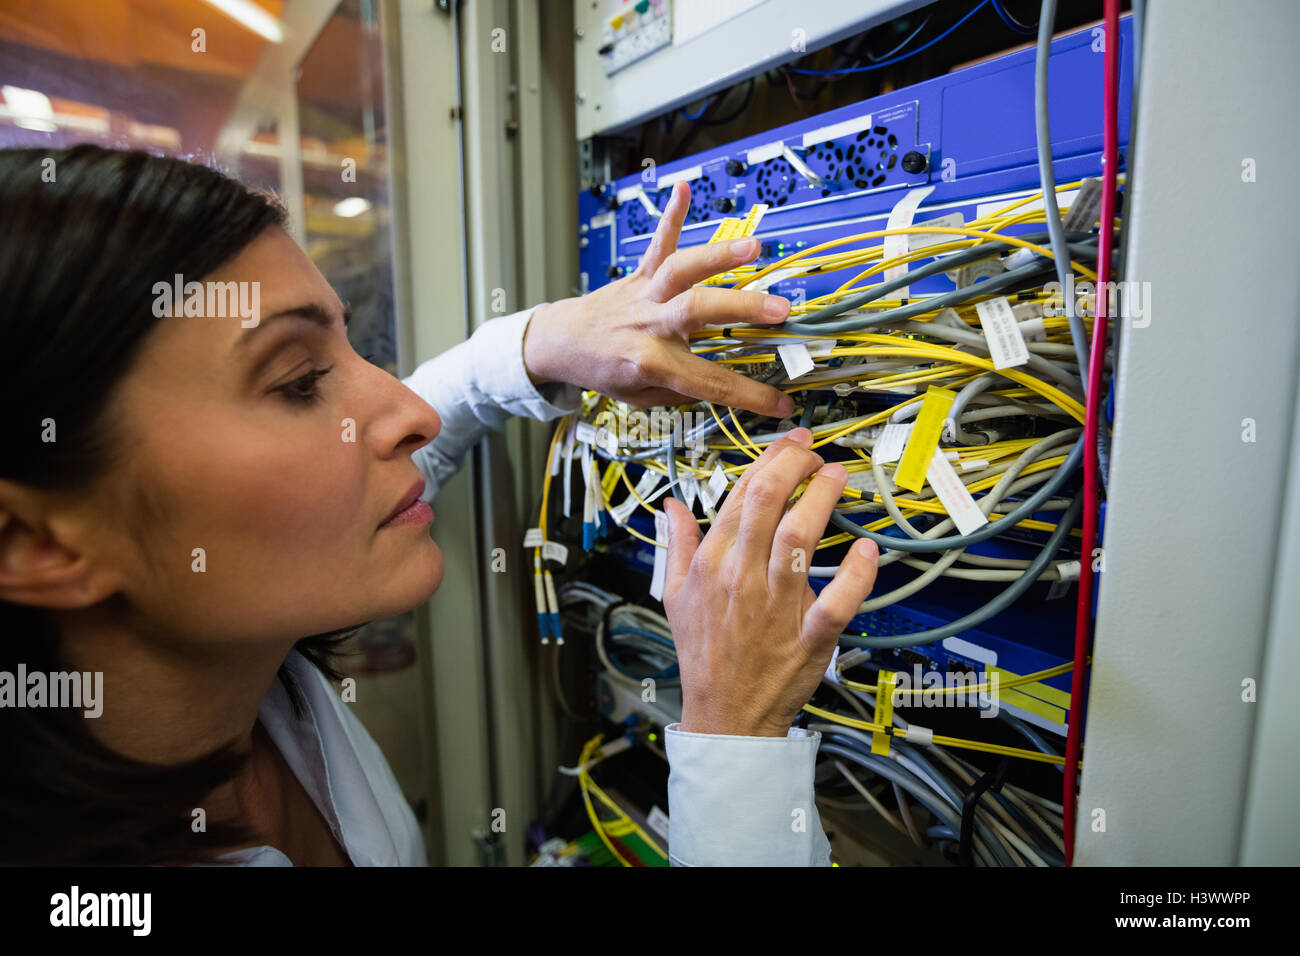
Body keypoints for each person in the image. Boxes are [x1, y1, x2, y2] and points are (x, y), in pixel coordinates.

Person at [0, 145, 878, 866]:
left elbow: (434, 410)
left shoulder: (251, 686)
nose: (410, 415)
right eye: (300, 380)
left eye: (347, 348)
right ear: (36, 543)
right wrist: (734, 737)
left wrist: (535, 346)